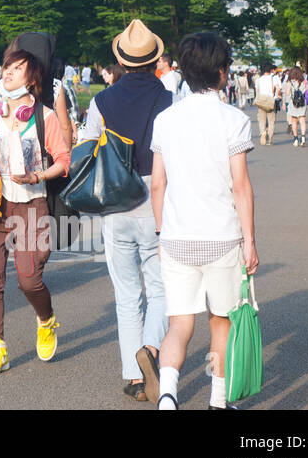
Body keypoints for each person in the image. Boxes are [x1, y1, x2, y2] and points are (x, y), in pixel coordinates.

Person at [149, 31, 258, 410]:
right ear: (223, 72)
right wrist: (250, 241)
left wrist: (162, 233)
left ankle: (167, 395)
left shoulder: (165, 120)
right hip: (222, 238)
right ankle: (217, 399)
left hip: (177, 238)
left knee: (179, 323)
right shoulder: (234, 120)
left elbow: (157, 185)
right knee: (220, 321)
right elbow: (240, 187)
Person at [79, 21, 172, 401]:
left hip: (115, 199)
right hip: (157, 197)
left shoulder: (103, 100)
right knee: (161, 287)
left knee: (126, 292)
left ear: (121, 61)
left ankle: (134, 376)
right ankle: (151, 348)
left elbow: (85, 147)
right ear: (155, 61)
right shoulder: (168, 100)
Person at [0, 43, 70, 374]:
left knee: (29, 280)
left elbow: (64, 161)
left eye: (16, 68)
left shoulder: (44, 117)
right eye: (6, 67)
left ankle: (46, 320)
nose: (7, 71)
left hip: (31, 205)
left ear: (32, 78)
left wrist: (38, 175)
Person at [282, 66, 308, 147]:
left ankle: (296, 139)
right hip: (302, 103)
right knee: (302, 121)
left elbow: (287, 93)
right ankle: (303, 137)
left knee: (294, 121)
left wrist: (284, 103)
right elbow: (307, 91)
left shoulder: (290, 81)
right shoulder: (304, 81)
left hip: (293, 103)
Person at [254, 66, 277, 145]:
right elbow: (275, 89)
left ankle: (263, 132)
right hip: (270, 101)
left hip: (261, 101)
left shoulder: (258, 80)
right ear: (270, 70)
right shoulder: (273, 78)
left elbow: (257, 91)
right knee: (271, 121)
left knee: (261, 120)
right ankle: (270, 139)